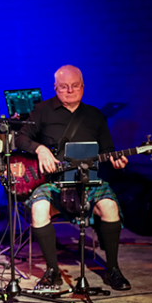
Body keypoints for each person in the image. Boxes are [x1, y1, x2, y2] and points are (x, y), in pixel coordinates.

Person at [15, 65, 131, 291]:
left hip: (88, 180)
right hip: (54, 182)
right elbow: (20, 140)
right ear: (55, 87)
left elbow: (108, 148)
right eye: (64, 87)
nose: (70, 90)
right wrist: (40, 149)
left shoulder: (95, 115)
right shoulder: (42, 110)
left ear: (83, 87)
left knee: (109, 207)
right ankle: (52, 272)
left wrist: (117, 160)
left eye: (75, 86)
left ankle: (113, 269)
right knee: (38, 210)